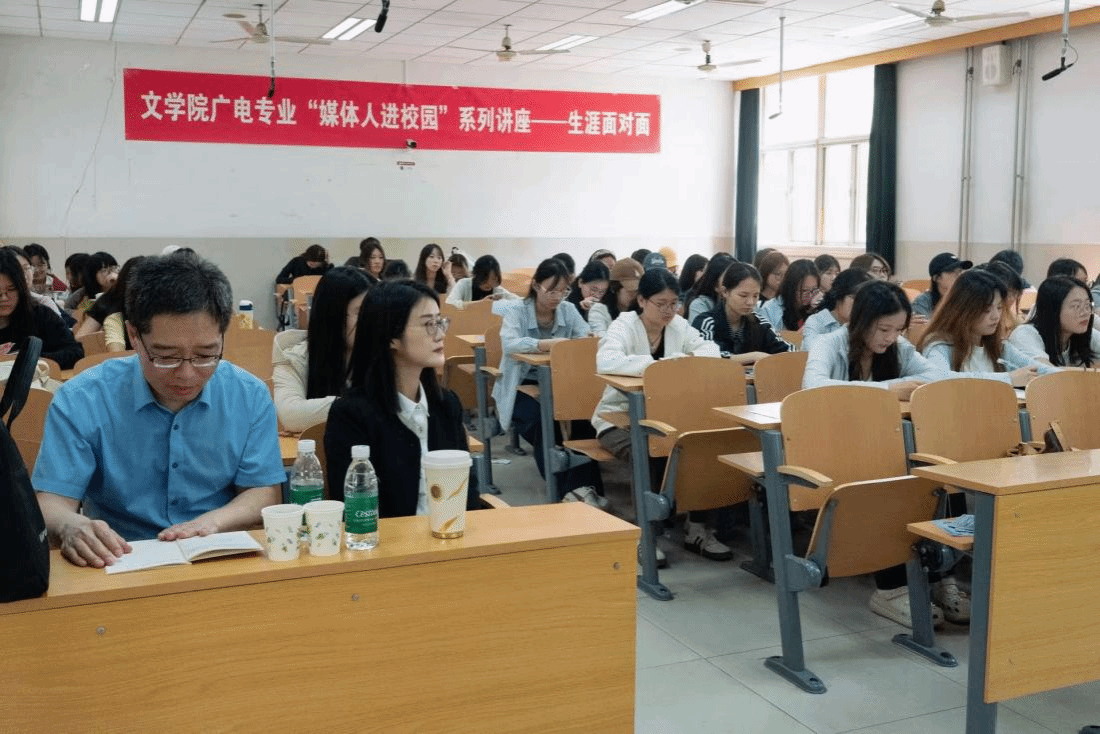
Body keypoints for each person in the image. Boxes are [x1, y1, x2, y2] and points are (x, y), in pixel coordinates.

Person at [33, 254, 285, 568]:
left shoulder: (248, 395)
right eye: (166, 357)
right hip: (117, 559)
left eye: (206, 355)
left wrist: (211, 523)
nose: (187, 374)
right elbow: (52, 500)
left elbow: (262, 491)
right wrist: (71, 525)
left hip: (216, 554)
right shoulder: (83, 399)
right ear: (134, 336)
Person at [592, 269, 728, 562]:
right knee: (646, 451)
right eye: (661, 303)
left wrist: (678, 361)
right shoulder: (624, 325)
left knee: (699, 447)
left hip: (667, 418)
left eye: (674, 303)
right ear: (642, 300)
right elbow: (607, 361)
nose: (669, 310)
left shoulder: (678, 325)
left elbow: (712, 352)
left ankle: (698, 529)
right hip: (617, 420)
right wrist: (662, 365)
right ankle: (646, 534)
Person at [323, 280, 481, 516]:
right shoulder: (351, 415)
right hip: (388, 538)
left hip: (449, 533)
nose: (440, 334)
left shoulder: (446, 404)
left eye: (440, 322)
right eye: (428, 324)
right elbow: (356, 512)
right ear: (391, 337)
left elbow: (468, 495)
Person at [492, 258, 593, 491]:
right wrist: (546, 344)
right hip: (521, 385)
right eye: (551, 290)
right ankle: (560, 489)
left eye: (563, 291)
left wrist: (586, 339)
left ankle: (587, 489)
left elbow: (585, 339)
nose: (557, 297)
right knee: (543, 421)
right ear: (536, 285)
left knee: (582, 419)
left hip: (559, 384)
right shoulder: (517, 310)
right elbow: (509, 344)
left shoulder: (568, 310)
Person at [272, 267, 372, 433]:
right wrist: (357, 404)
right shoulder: (294, 356)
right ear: (334, 316)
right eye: (361, 312)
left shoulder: (387, 352)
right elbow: (291, 415)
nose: (372, 321)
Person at [803, 279, 939, 399]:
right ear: (861, 320)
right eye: (884, 329)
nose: (891, 338)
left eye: (899, 329)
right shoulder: (826, 343)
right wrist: (887, 389)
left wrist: (894, 387)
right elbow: (812, 385)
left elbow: (937, 376)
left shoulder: (899, 346)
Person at [917, 269, 1043, 387]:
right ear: (963, 311)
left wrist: (1054, 374)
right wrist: (1008, 378)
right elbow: (939, 379)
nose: (996, 316)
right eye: (986, 310)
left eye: (999, 307)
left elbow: (1039, 369)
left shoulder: (998, 347)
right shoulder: (939, 346)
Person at [692, 262, 791, 363]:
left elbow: (789, 351)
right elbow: (706, 356)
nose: (750, 302)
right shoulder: (706, 322)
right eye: (743, 295)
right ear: (725, 292)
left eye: (755, 296)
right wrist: (753, 356)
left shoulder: (760, 323)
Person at [0, 250, 83, 369]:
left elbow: (75, 353)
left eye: (11, 289)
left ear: (21, 287)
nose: (4, 298)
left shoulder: (41, 315)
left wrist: (31, 359)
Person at [1008, 276, 1100, 367]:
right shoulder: (1025, 334)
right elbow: (1045, 371)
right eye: (1077, 306)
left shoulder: (1085, 334)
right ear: (1052, 309)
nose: (1085, 312)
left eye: (1087, 305)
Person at [75, 256, 146, 352]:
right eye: (104, 270)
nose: (110, 273)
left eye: (113, 268)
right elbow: (80, 337)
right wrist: (104, 335)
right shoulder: (106, 303)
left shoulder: (155, 307)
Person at [801, 268, 873, 352]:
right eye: (854, 298)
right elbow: (812, 352)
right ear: (839, 295)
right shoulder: (817, 321)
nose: (860, 304)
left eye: (865, 300)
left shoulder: (866, 324)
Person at [759, 258, 820, 332]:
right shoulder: (769, 310)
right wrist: (797, 335)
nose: (810, 295)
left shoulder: (818, 308)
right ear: (790, 287)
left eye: (814, 290)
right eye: (804, 290)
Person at [589, 258, 644, 337]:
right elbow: (601, 338)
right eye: (630, 291)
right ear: (615, 288)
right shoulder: (600, 311)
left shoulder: (644, 309)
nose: (635, 295)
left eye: (638, 291)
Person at [911, 252, 972, 318]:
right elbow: (923, 324)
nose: (959, 276)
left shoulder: (965, 299)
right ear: (937, 278)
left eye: (960, 271)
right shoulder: (923, 302)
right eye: (953, 272)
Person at [445, 255, 518, 307]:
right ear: (477, 275)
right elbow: (450, 303)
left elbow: (519, 301)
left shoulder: (497, 290)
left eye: (493, 279)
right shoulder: (464, 284)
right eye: (485, 279)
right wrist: (480, 303)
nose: (490, 283)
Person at [980, 261, 1026, 339]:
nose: (1013, 298)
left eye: (1015, 293)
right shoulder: (982, 318)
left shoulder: (1015, 321)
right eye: (1010, 292)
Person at [685, 253, 735, 324]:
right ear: (715, 285)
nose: (735, 284)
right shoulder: (700, 305)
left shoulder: (743, 303)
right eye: (728, 279)